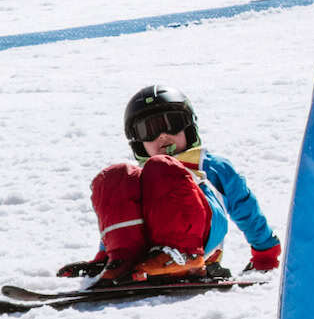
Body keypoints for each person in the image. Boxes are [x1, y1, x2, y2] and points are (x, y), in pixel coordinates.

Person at [60, 87, 283, 284]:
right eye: (149, 130)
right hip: (149, 254)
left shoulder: (211, 167)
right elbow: (122, 219)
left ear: (189, 127)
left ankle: (183, 255)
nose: (163, 136)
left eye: (172, 124)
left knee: (162, 167)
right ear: (138, 141)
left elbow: (245, 208)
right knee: (115, 176)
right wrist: (107, 252)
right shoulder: (137, 178)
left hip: (200, 241)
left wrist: (265, 252)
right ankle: (121, 260)